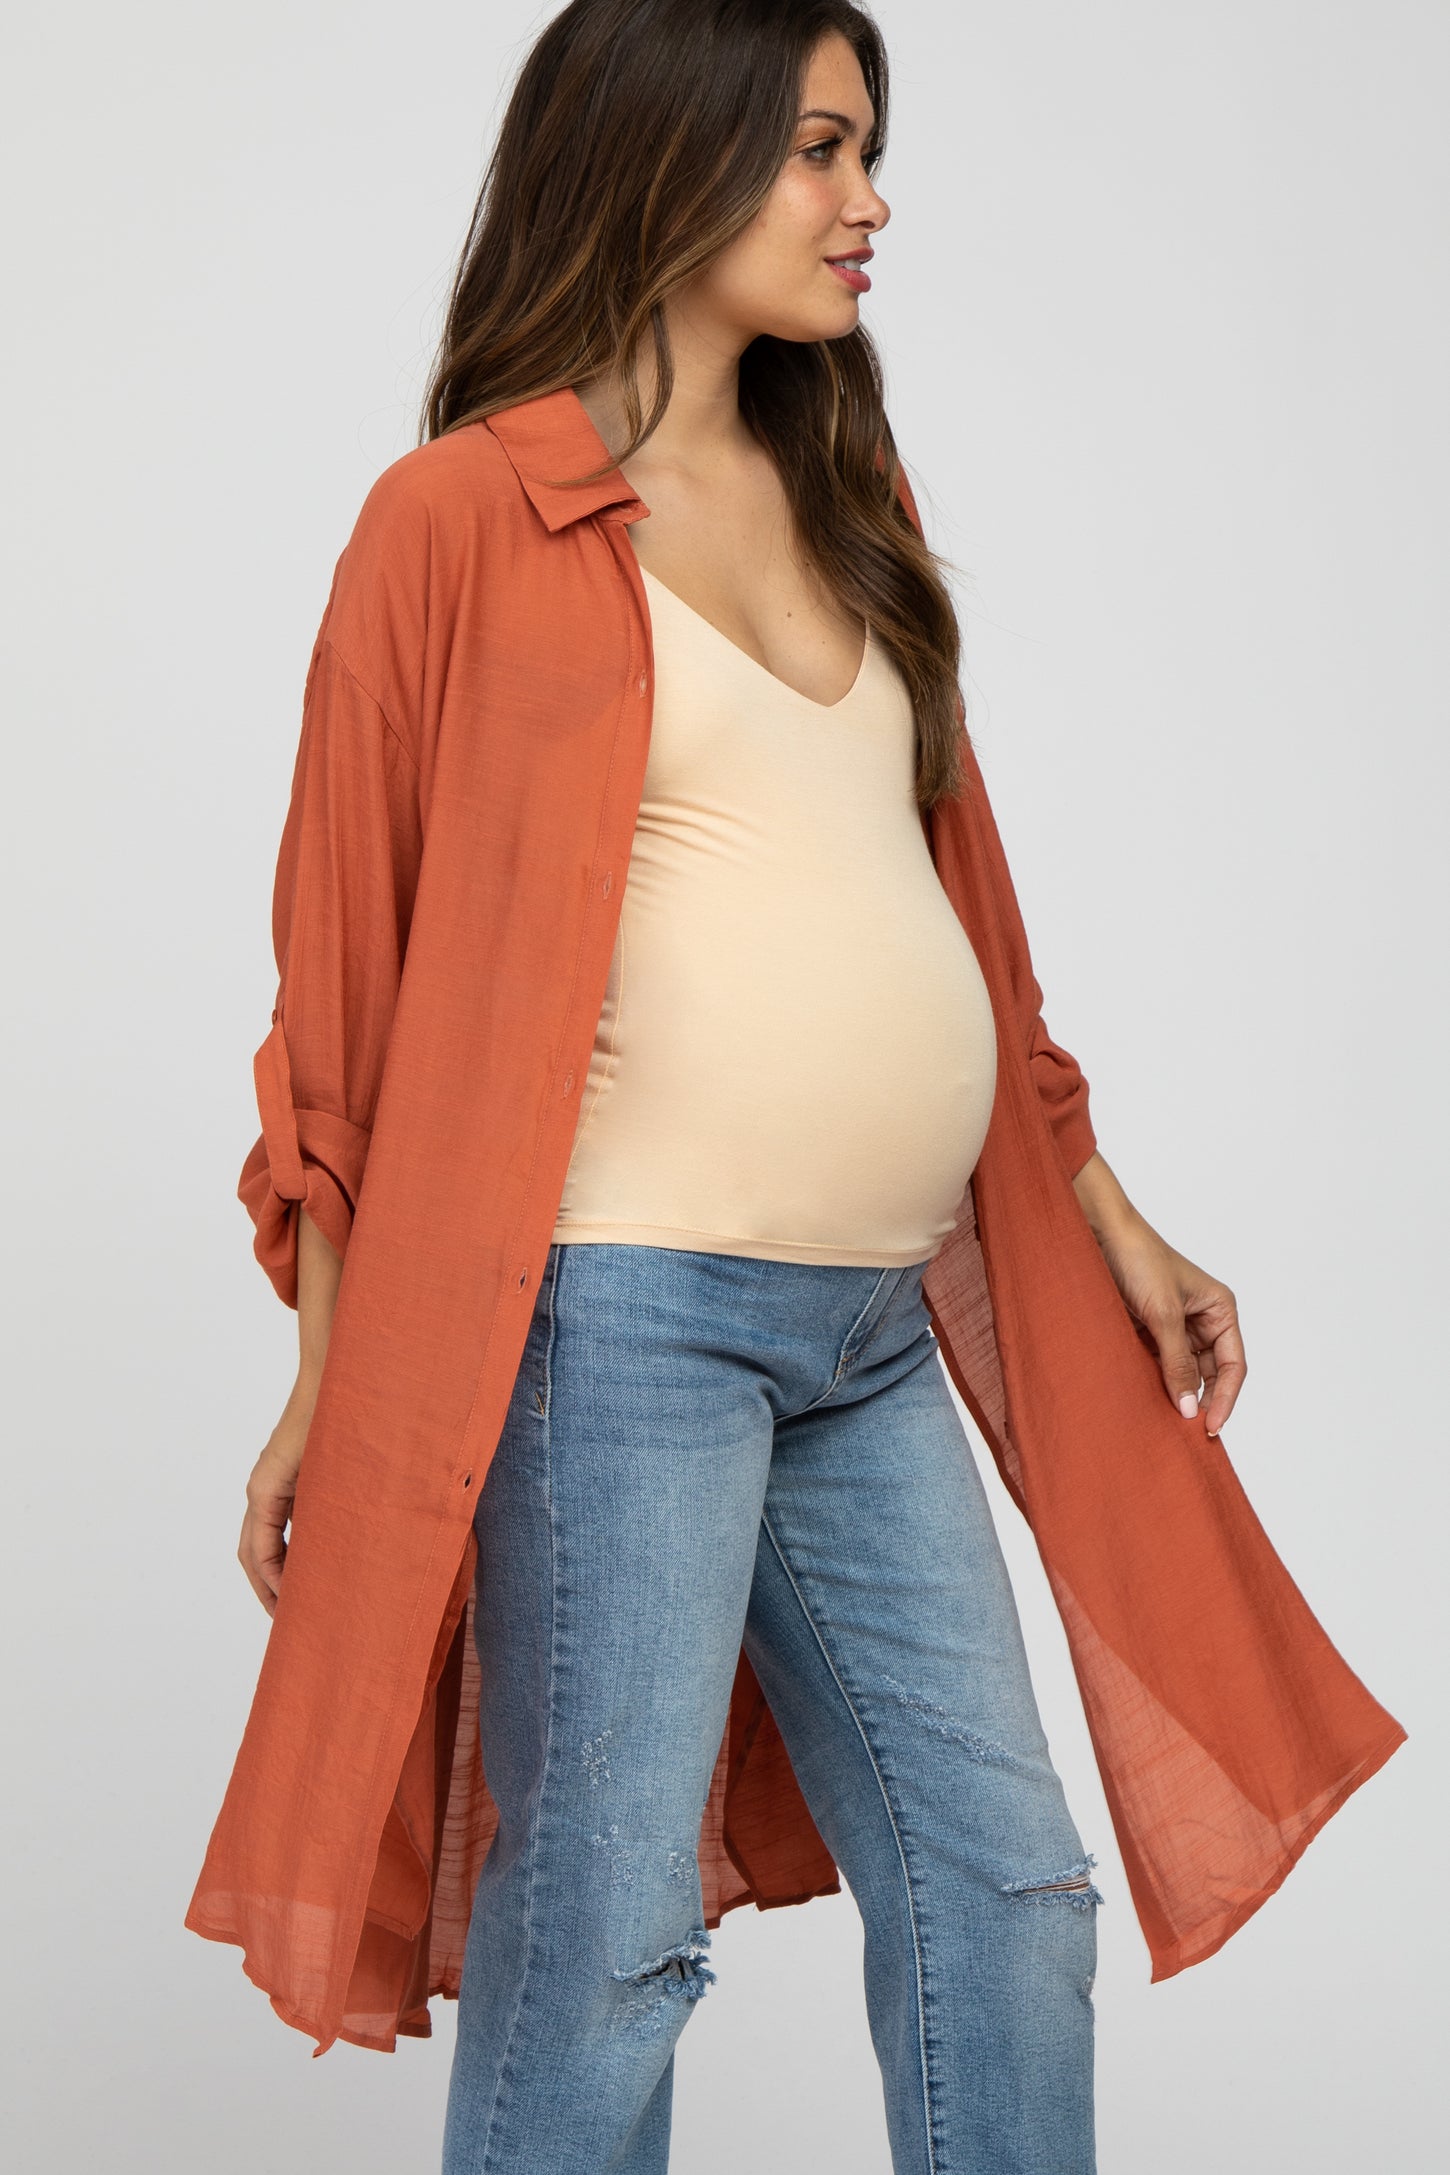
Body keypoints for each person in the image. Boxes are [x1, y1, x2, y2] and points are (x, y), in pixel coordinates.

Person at [188, 3, 1406, 2171]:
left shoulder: (845, 493)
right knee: (606, 1938)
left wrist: (1110, 1217)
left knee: (1007, 1891)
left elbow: (962, 919)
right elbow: (344, 1005)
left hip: (868, 1323)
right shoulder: (459, 519)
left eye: (867, 150)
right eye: (820, 151)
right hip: (615, 1326)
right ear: (670, 154)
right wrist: (326, 1375)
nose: (868, 203)